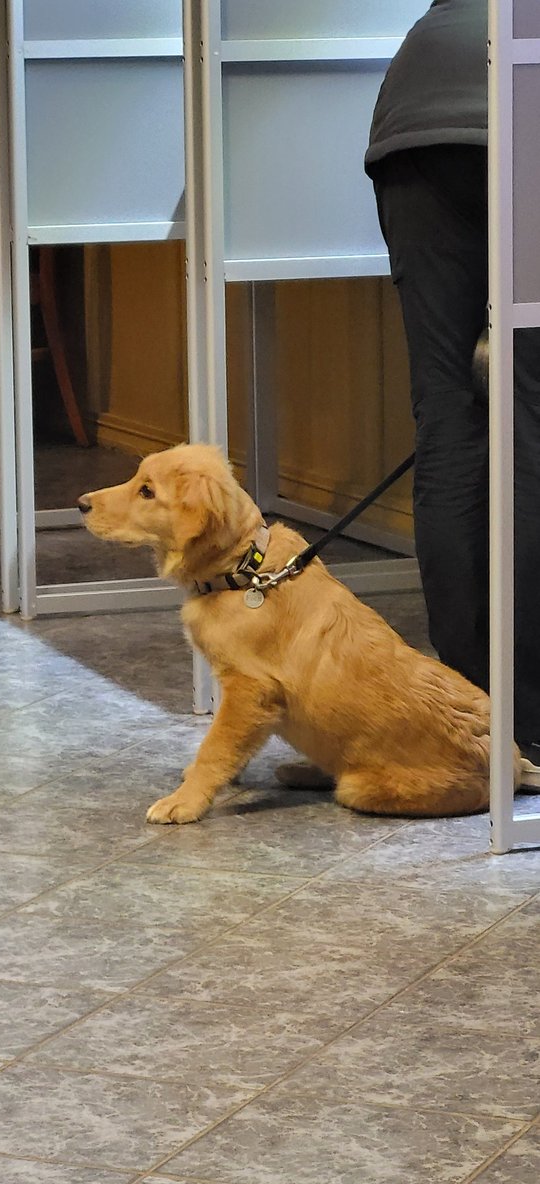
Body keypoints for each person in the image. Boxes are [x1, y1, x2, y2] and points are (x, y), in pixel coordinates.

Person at [366, 0, 540, 762]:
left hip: (414, 119)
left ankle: (468, 705)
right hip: (518, 96)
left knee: (446, 416)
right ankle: (530, 709)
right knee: (530, 418)